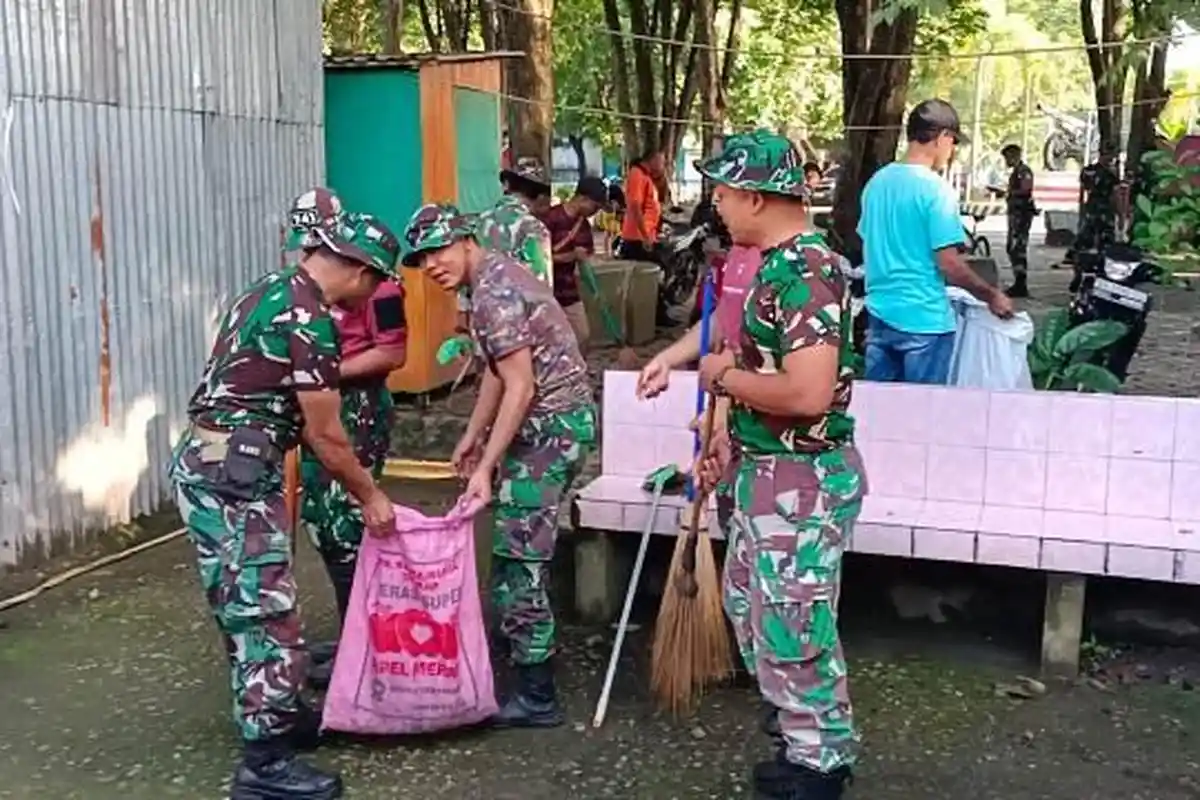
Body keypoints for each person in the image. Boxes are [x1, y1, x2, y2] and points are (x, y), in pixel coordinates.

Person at [169, 211, 403, 799]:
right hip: (236, 477)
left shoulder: (265, 289)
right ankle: (264, 766)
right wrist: (370, 495)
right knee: (268, 613)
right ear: (356, 267)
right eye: (374, 281)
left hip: (208, 463)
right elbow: (326, 435)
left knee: (239, 602)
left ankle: (277, 714)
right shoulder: (311, 319)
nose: (369, 297)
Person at [688, 127, 865, 800]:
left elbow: (808, 392)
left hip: (804, 482)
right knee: (754, 610)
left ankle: (822, 762)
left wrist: (724, 378)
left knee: (794, 624)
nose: (719, 207)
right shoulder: (774, 264)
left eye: (724, 194)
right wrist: (726, 436)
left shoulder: (806, 271)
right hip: (766, 475)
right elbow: (766, 370)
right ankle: (799, 741)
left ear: (757, 197)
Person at [400, 203, 597, 729]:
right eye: (421, 259)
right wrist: (472, 435)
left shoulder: (494, 292)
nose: (431, 265)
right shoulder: (489, 281)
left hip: (550, 432)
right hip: (548, 429)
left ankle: (537, 694)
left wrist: (486, 465)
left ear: (465, 239)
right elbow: (498, 370)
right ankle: (520, 654)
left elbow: (522, 385)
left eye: (438, 250)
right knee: (512, 549)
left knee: (519, 554)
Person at [287, 199, 408, 689]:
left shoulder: (378, 287)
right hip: (324, 408)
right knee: (324, 522)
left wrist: (324, 375)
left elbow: (393, 352)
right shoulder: (307, 293)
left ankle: (367, 650)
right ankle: (355, 637)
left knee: (345, 525)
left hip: (354, 412)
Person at [858, 99, 1014, 384]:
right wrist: (991, 295)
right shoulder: (935, 190)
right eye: (953, 142)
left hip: (879, 317)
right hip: (924, 324)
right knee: (924, 420)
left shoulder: (876, 184)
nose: (952, 151)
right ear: (942, 137)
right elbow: (949, 263)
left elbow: (870, 245)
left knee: (881, 418)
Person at [537, 175, 608, 350]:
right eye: (595, 206)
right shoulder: (549, 219)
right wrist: (570, 256)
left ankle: (576, 372)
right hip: (545, 292)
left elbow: (585, 260)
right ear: (582, 198)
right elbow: (537, 258)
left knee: (582, 335)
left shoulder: (584, 227)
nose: (596, 212)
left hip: (569, 291)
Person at [619, 149, 672, 326]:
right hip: (637, 238)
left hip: (645, 236)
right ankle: (655, 316)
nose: (663, 166)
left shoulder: (646, 177)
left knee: (654, 275)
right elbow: (634, 206)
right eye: (662, 162)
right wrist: (644, 236)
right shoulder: (636, 174)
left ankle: (657, 315)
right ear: (653, 159)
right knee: (655, 273)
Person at [995, 144, 1036, 298]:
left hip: (1022, 214)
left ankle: (1021, 284)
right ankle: (1018, 282)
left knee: (1017, 248)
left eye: (1007, 157)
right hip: (1015, 214)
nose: (1006, 161)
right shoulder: (1016, 172)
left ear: (1015, 156)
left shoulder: (1023, 171)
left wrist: (1007, 192)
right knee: (1012, 247)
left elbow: (1026, 189)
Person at [1072, 147, 1120, 258]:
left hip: (1101, 206)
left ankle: (1101, 256)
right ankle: (1079, 256)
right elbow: (1084, 189)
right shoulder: (1096, 172)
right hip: (1097, 205)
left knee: (1103, 235)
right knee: (1088, 233)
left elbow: (1115, 193)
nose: (1109, 159)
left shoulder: (1101, 172)